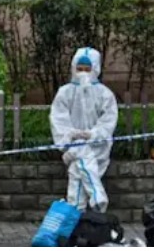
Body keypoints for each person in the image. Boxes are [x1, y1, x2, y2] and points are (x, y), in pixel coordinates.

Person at [50, 47, 118, 212]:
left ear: (96, 69)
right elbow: (58, 119)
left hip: (97, 147)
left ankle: (75, 212)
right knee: (81, 154)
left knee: (77, 169)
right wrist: (70, 135)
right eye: (79, 69)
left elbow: (108, 120)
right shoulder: (65, 93)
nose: (83, 73)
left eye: (87, 69)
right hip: (72, 145)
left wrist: (93, 134)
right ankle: (97, 197)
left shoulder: (105, 94)